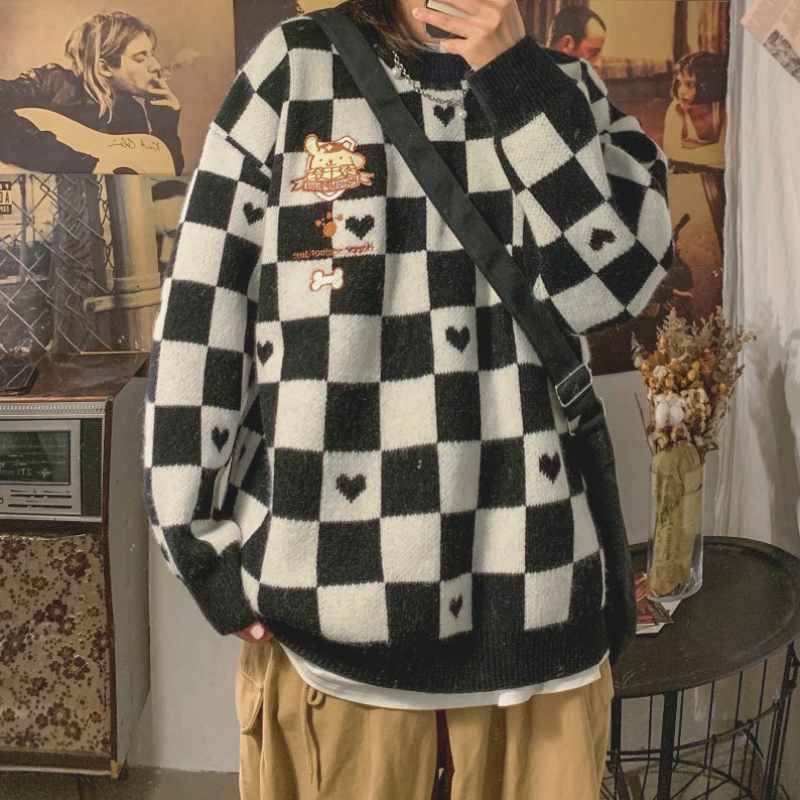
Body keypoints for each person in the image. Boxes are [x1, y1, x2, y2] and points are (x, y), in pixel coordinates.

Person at [142, 0, 673, 797]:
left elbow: (612, 291)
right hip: (333, 614)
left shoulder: (565, 87)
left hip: (540, 603)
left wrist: (514, 76)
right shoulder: (297, 67)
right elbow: (203, 309)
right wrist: (193, 540)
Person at [0, 11, 183, 174]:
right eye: (140, 58)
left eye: (152, 55)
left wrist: (165, 124)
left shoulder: (130, 111)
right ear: (105, 67)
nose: (156, 66)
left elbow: (156, 182)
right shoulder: (51, 81)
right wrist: (78, 164)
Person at [663, 51, 727, 172]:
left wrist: (686, 156)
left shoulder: (724, 108)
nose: (681, 91)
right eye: (679, 83)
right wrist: (716, 155)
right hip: (686, 173)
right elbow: (671, 155)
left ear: (708, 85)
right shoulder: (676, 110)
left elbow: (731, 152)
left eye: (690, 84)